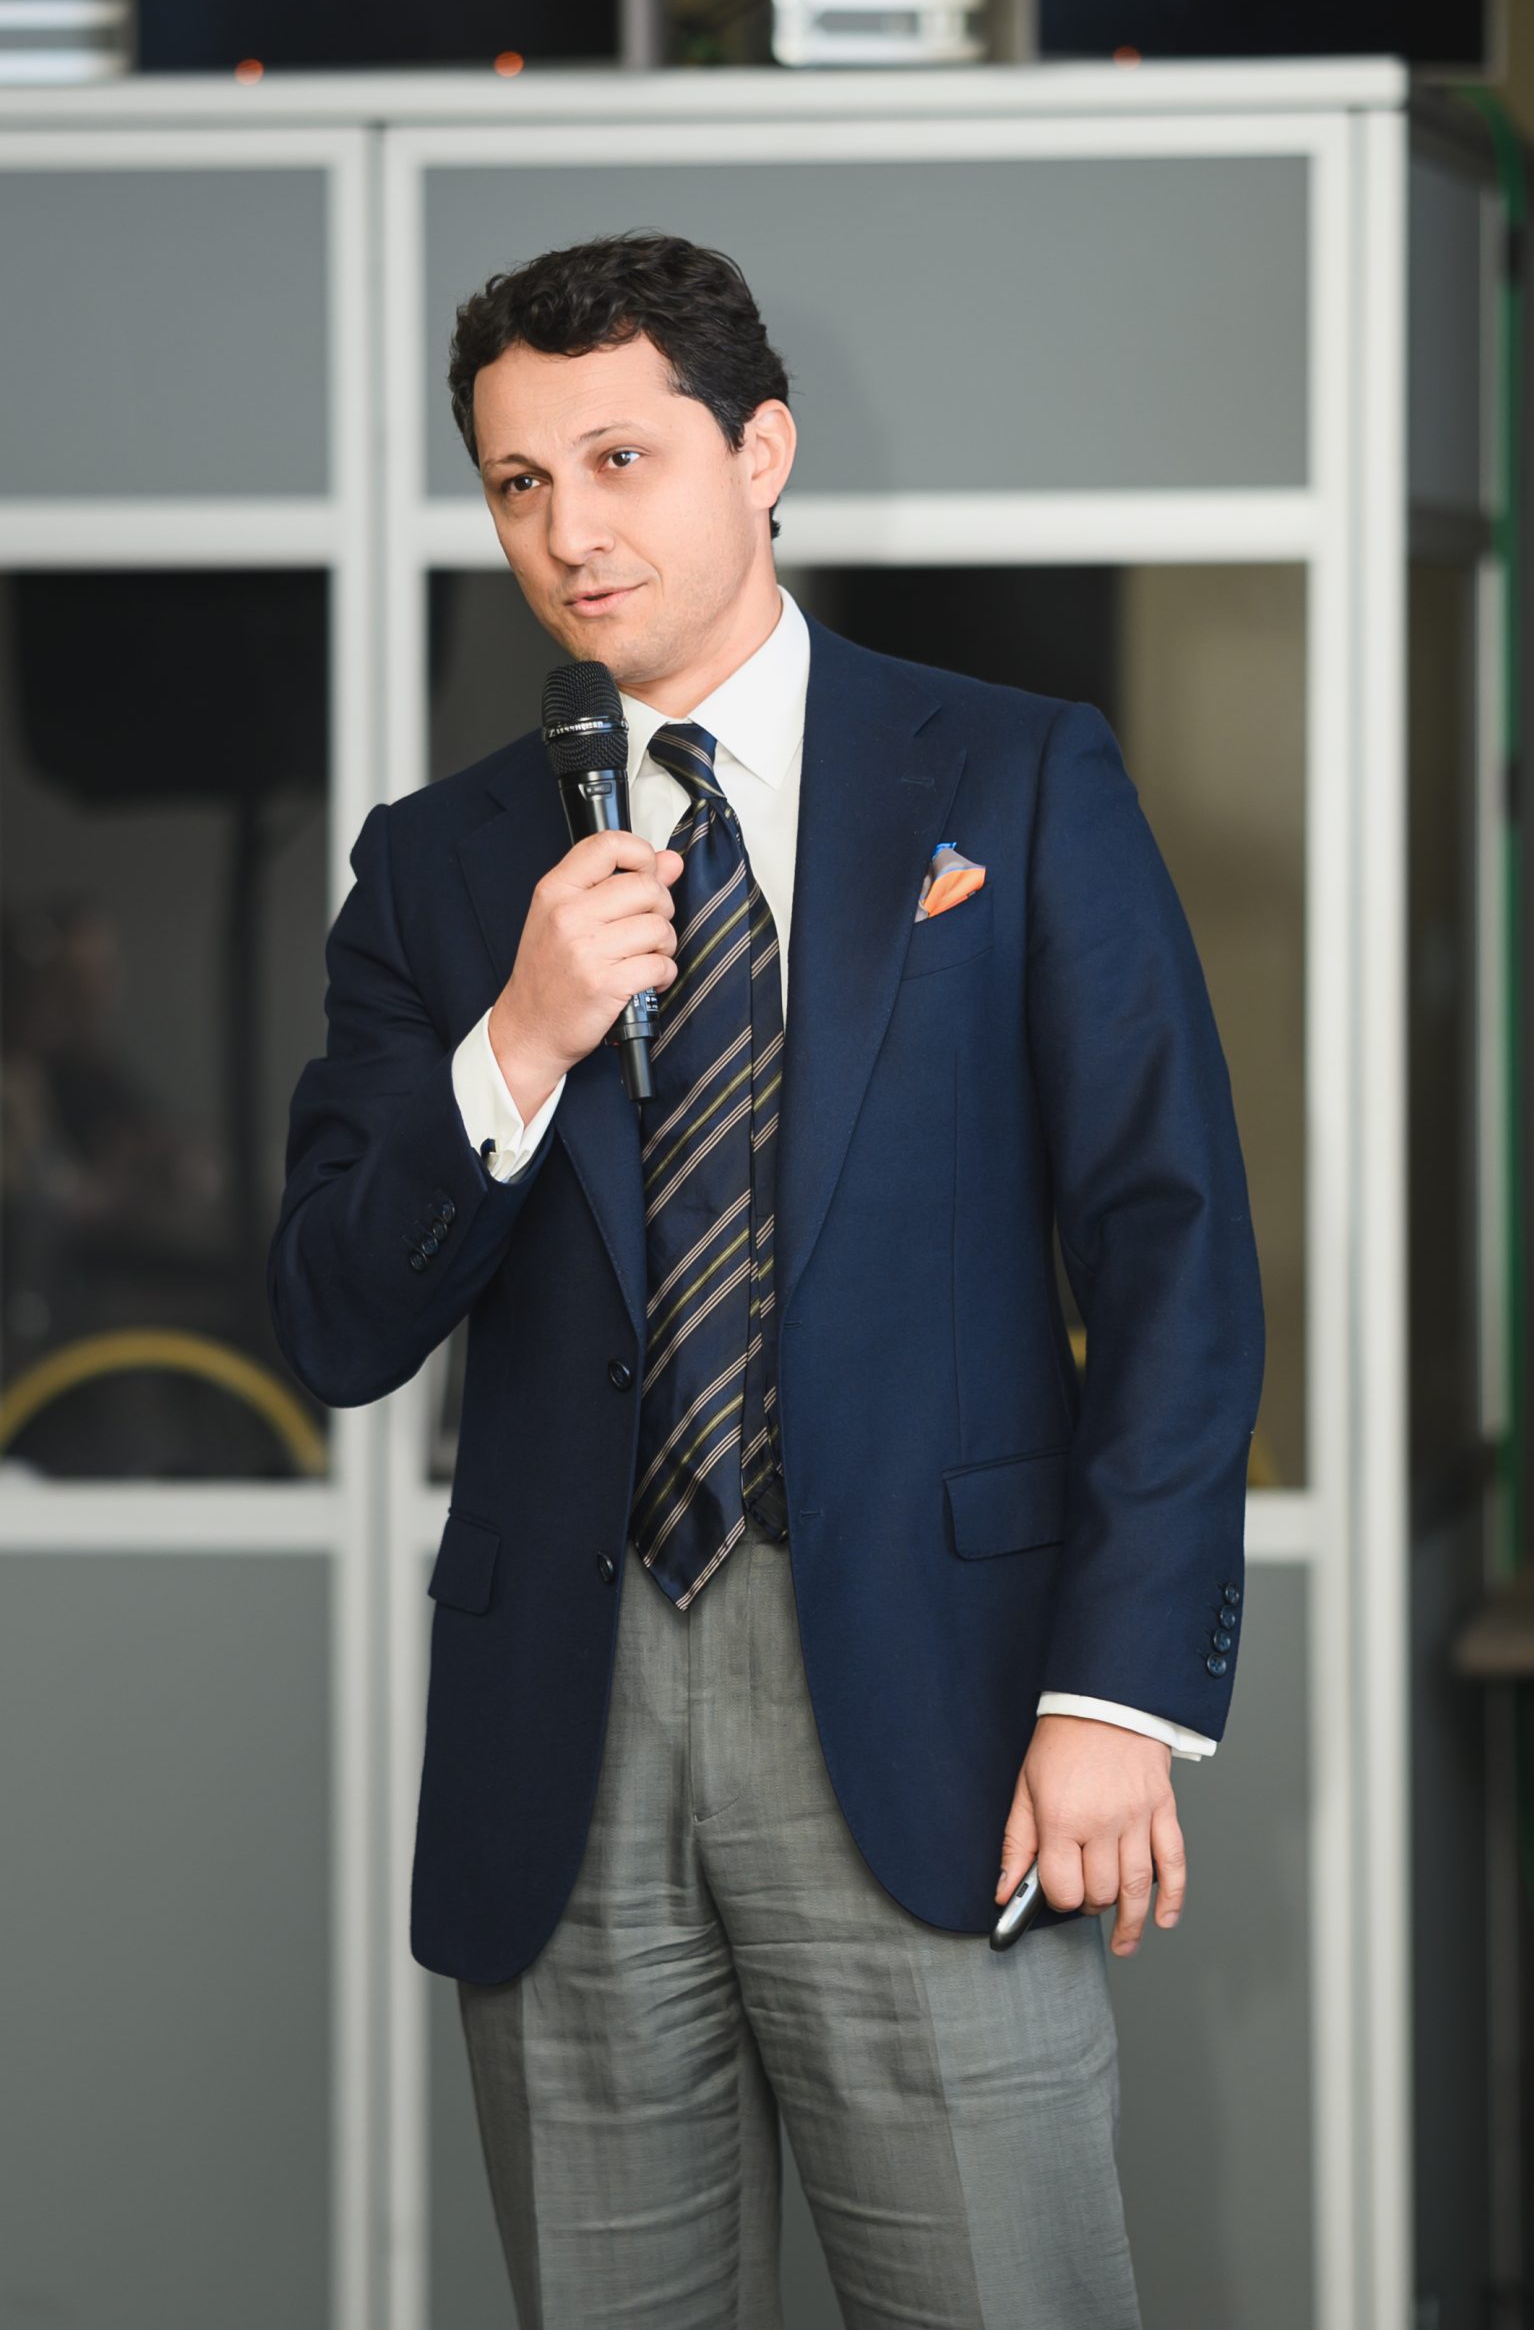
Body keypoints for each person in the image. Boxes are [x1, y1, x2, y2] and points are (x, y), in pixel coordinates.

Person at [269, 231, 1265, 2327]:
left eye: (619, 459)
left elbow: (1171, 1243)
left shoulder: (1011, 775)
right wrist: (517, 1040)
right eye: (519, 482)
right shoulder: (441, 866)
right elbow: (338, 1319)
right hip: (568, 1736)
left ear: (763, 452)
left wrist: (1115, 1694)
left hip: (937, 1701)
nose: (569, 529)